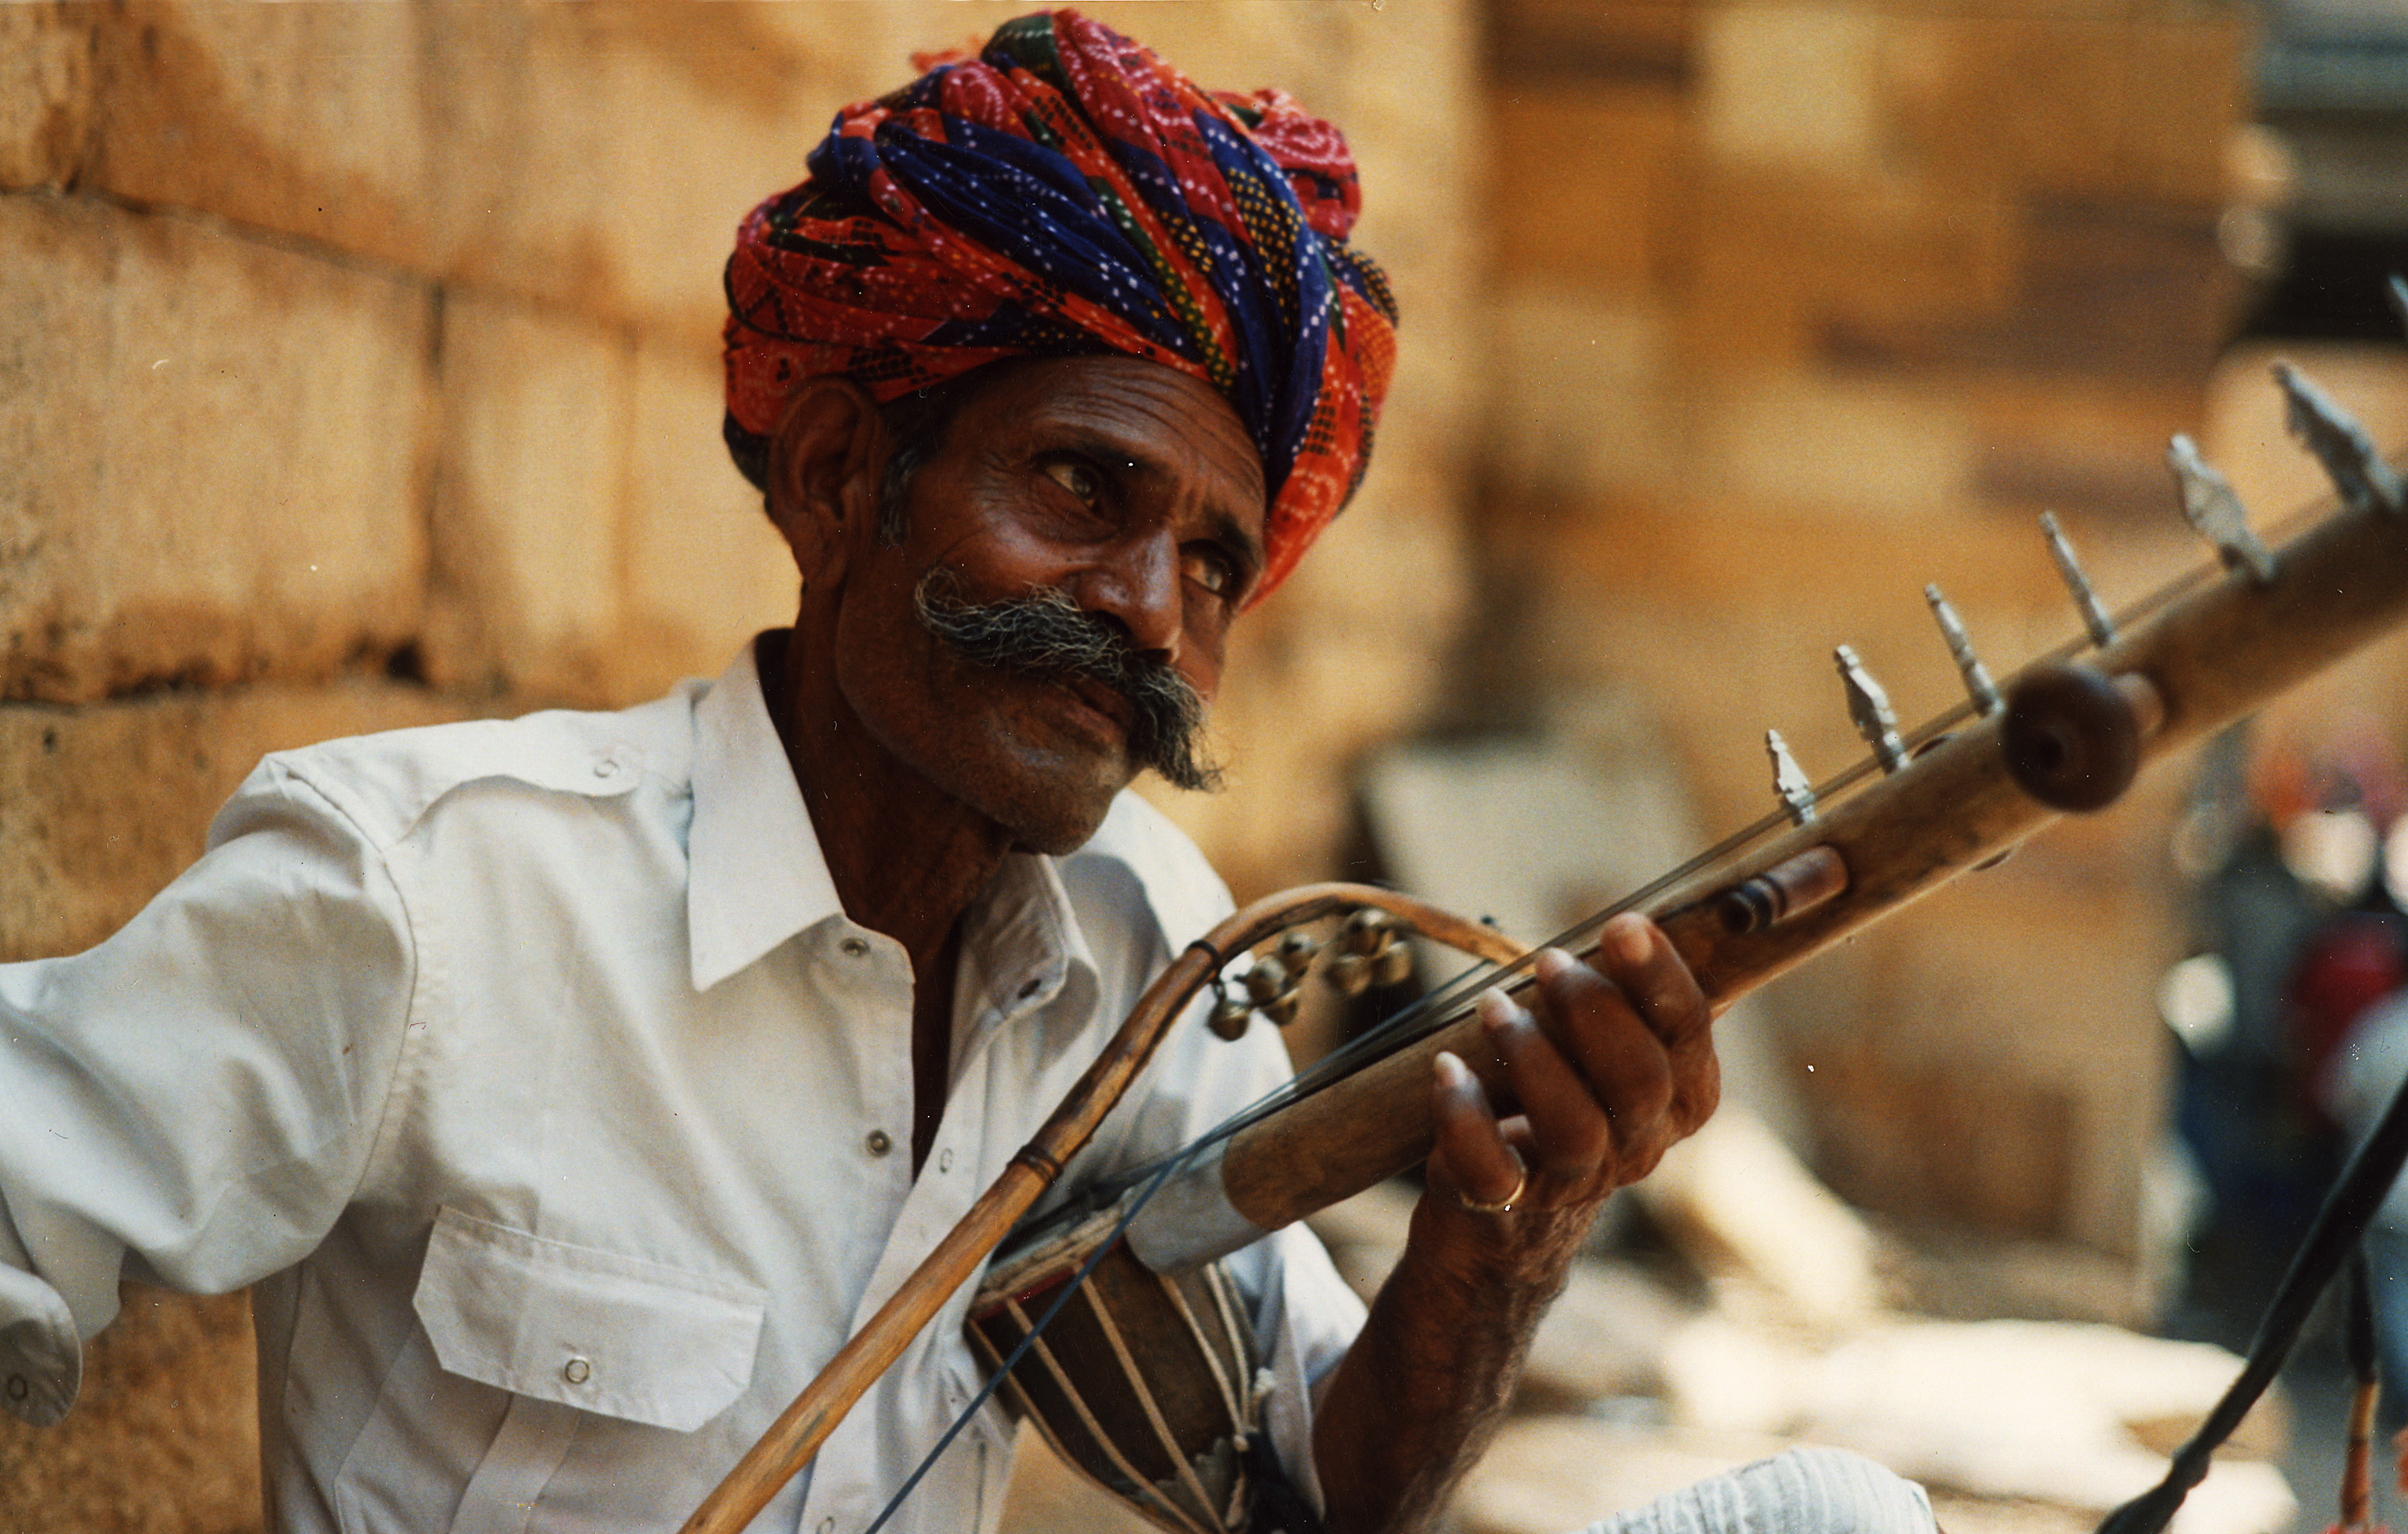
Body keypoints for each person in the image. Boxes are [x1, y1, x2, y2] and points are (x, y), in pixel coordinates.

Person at [0, 13, 1934, 1534]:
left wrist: (1513, 1230)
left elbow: (1321, 1491)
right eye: (1082, 488)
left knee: (1845, 1512)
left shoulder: (1154, 957)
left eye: (1212, 562)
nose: (1151, 613)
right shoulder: (432, 894)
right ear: (845, 478)